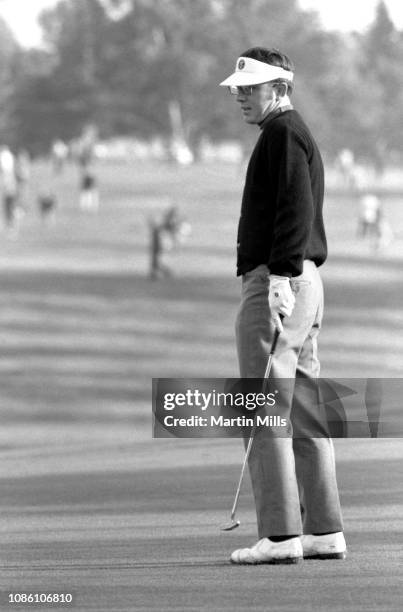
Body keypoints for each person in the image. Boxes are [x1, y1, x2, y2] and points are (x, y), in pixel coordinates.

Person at [219, 47, 346, 564]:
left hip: (282, 280)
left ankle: (279, 536)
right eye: (238, 90)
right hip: (302, 282)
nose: (241, 97)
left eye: (251, 89)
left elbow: (294, 205)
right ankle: (323, 531)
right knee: (304, 406)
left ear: (279, 89)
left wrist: (280, 276)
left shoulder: (283, 133)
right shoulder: (287, 133)